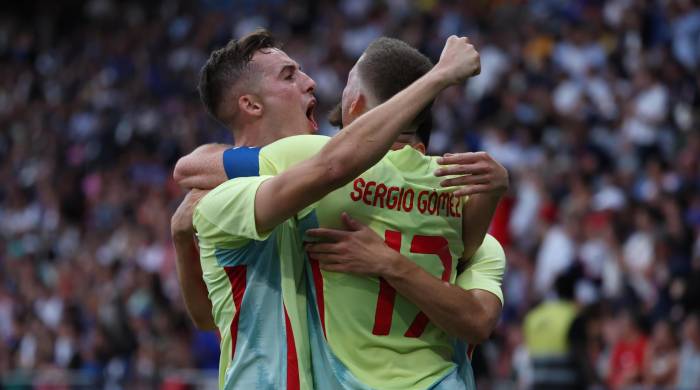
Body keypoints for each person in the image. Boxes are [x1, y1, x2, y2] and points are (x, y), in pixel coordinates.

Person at [175, 35, 505, 389]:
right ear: (251, 105)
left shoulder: (333, 191)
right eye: (289, 76)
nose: (311, 81)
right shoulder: (233, 196)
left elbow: (189, 168)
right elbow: (211, 317)